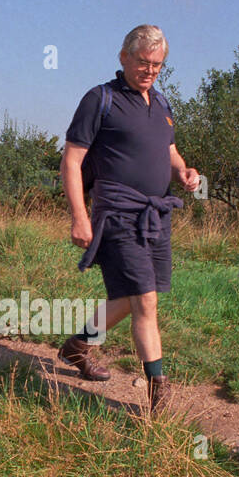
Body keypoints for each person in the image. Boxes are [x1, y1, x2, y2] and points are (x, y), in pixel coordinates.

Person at [59, 25, 202, 414]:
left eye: (157, 64)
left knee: (128, 297)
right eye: (143, 62)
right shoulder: (99, 99)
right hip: (119, 213)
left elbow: (169, 151)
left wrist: (184, 171)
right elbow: (71, 161)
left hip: (156, 214)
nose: (150, 70)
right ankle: (158, 394)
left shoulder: (161, 103)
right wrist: (79, 216)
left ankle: (78, 346)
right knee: (146, 300)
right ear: (124, 57)